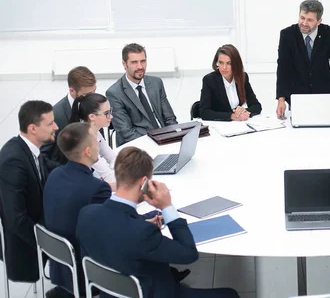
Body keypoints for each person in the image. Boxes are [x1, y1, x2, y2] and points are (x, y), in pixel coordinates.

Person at [76, 147, 239, 298]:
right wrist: (167, 206)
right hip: (153, 293)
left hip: (111, 291)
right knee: (230, 294)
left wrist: (141, 221)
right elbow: (189, 253)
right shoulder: (142, 233)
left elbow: (116, 229)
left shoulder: (87, 213)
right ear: (144, 182)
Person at [43, 122, 111, 298]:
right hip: (87, 273)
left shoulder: (55, 174)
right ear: (87, 151)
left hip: (60, 267)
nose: (98, 143)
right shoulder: (96, 188)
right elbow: (115, 230)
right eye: (95, 141)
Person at [0, 100, 59, 283]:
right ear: (33, 128)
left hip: (39, 222)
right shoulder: (13, 161)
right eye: (50, 123)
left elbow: (49, 167)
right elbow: (16, 219)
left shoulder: (31, 148)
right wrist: (48, 246)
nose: (56, 127)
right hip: (24, 246)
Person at [275, 0, 330, 119]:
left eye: (310, 20)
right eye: (302, 18)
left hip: (325, 93)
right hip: (298, 95)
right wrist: (281, 98)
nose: (304, 23)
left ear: (319, 21)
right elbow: (283, 67)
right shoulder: (287, 35)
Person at [107, 43, 178, 146]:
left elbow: (170, 118)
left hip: (164, 140)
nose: (140, 66)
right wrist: (156, 144)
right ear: (124, 64)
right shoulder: (114, 93)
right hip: (138, 147)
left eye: (143, 61)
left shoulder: (156, 83)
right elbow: (126, 132)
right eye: (134, 62)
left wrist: (175, 137)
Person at [41, 66, 97, 164]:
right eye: (86, 95)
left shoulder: (95, 105)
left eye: (94, 91)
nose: (92, 98)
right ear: (72, 91)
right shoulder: (55, 115)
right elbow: (43, 155)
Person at [198, 44, 262, 121]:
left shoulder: (242, 77)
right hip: (218, 125)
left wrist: (244, 111)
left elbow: (256, 106)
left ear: (236, 64)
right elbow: (204, 112)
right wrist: (232, 116)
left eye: (229, 63)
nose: (224, 67)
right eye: (221, 63)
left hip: (237, 125)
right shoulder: (209, 80)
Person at [70, 93, 117, 189]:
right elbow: (108, 177)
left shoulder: (94, 131)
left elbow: (111, 157)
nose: (111, 116)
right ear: (92, 117)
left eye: (110, 111)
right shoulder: (84, 140)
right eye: (106, 113)